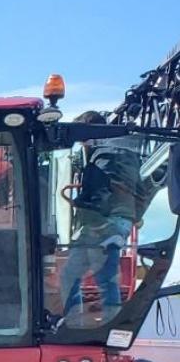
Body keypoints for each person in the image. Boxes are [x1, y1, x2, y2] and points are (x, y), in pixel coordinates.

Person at [61, 110, 140, 317]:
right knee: (98, 276)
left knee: (98, 277)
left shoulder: (103, 155)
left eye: (82, 139)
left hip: (103, 222)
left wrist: (94, 221)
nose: (82, 144)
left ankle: (86, 324)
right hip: (122, 221)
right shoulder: (129, 152)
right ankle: (88, 322)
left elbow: (100, 191)